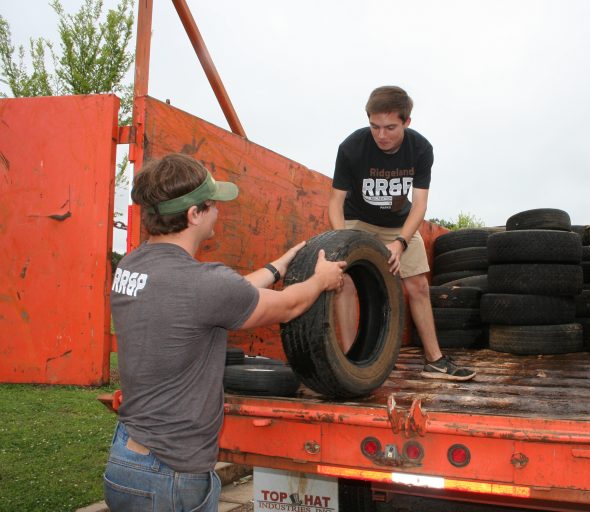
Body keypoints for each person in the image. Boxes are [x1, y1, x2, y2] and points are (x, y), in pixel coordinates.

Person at [104, 153, 346, 511]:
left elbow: (221, 297)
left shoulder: (132, 264)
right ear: (194, 214)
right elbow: (288, 306)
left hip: (127, 459)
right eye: (213, 204)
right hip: (170, 475)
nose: (218, 210)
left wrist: (278, 267)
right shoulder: (204, 283)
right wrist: (321, 280)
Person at [329, 85, 476, 381]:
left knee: (418, 285)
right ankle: (352, 363)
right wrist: (341, 241)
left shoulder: (421, 149)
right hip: (357, 220)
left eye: (390, 127)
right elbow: (335, 202)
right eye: (375, 126)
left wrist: (400, 242)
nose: (381, 135)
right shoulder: (351, 147)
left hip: (398, 223)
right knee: (343, 281)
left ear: (407, 121)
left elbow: (419, 204)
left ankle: (435, 361)